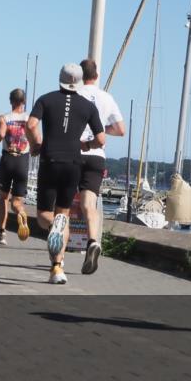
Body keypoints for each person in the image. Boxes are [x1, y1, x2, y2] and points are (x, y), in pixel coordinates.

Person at [25, 63, 104, 284]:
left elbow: (30, 125)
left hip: (50, 161)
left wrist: (35, 144)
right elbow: (101, 139)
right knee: (63, 215)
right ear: (79, 82)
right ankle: (57, 269)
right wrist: (85, 146)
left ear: (59, 78)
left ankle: (54, 232)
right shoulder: (88, 106)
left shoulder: (45, 100)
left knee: (44, 216)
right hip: (74, 164)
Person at [76, 59, 125, 274]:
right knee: (89, 205)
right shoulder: (107, 98)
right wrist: (101, 130)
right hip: (96, 156)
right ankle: (93, 241)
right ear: (96, 76)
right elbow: (120, 130)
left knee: (65, 205)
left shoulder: (73, 96)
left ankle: (58, 258)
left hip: (74, 153)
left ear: (80, 76)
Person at [0, 88, 30, 245]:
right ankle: (20, 211)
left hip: (8, 160)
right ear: (24, 101)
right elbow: (37, 138)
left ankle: (2, 234)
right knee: (17, 202)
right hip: (23, 161)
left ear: (10, 101)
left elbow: (2, 134)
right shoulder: (30, 119)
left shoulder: (3, 118)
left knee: (3, 198)